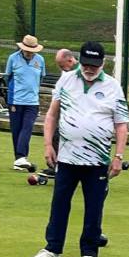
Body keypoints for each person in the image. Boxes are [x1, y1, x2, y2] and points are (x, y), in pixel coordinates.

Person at [27, 41, 129, 257]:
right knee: (59, 203)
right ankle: (52, 248)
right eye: (85, 64)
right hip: (66, 157)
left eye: (94, 65)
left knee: (94, 206)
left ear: (102, 63)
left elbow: (121, 126)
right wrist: (47, 145)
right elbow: (52, 115)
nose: (89, 69)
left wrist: (119, 157)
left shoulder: (113, 86)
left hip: (98, 160)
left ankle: (89, 250)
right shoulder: (67, 80)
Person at [6, 34, 46, 171]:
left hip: (33, 101)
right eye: (27, 49)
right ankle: (19, 159)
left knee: (27, 127)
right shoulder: (13, 58)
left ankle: (21, 157)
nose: (29, 53)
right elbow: (8, 78)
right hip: (15, 100)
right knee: (16, 129)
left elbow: (40, 78)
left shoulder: (40, 60)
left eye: (32, 50)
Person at [42, 49, 80, 179]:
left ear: (70, 60)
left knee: (60, 136)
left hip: (74, 114)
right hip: (62, 109)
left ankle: (59, 167)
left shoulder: (79, 72)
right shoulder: (67, 71)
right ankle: (56, 166)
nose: (61, 68)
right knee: (55, 135)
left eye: (62, 65)